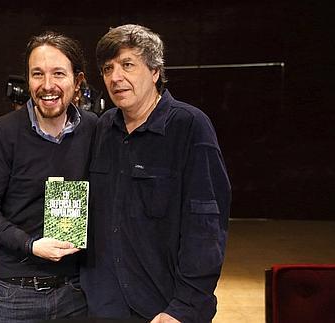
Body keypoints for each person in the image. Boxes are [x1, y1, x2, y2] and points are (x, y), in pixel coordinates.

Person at [81, 24, 231, 323]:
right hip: (103, 308)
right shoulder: (102, 128)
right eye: (108, 68)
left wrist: (184, 308)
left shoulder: (190, 126)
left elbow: (205, 230)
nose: (115, 78)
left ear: (154, 72)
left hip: (163, 310)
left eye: (127, 65)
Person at [0, 31, 97, 323]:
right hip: (16, 294)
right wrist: (29, 245)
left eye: (58, 74)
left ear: (77, 82)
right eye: (37, 74)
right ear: (28, 80)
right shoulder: (3, 132)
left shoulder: (94, 129)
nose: (47, 85)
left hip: (77, 291)